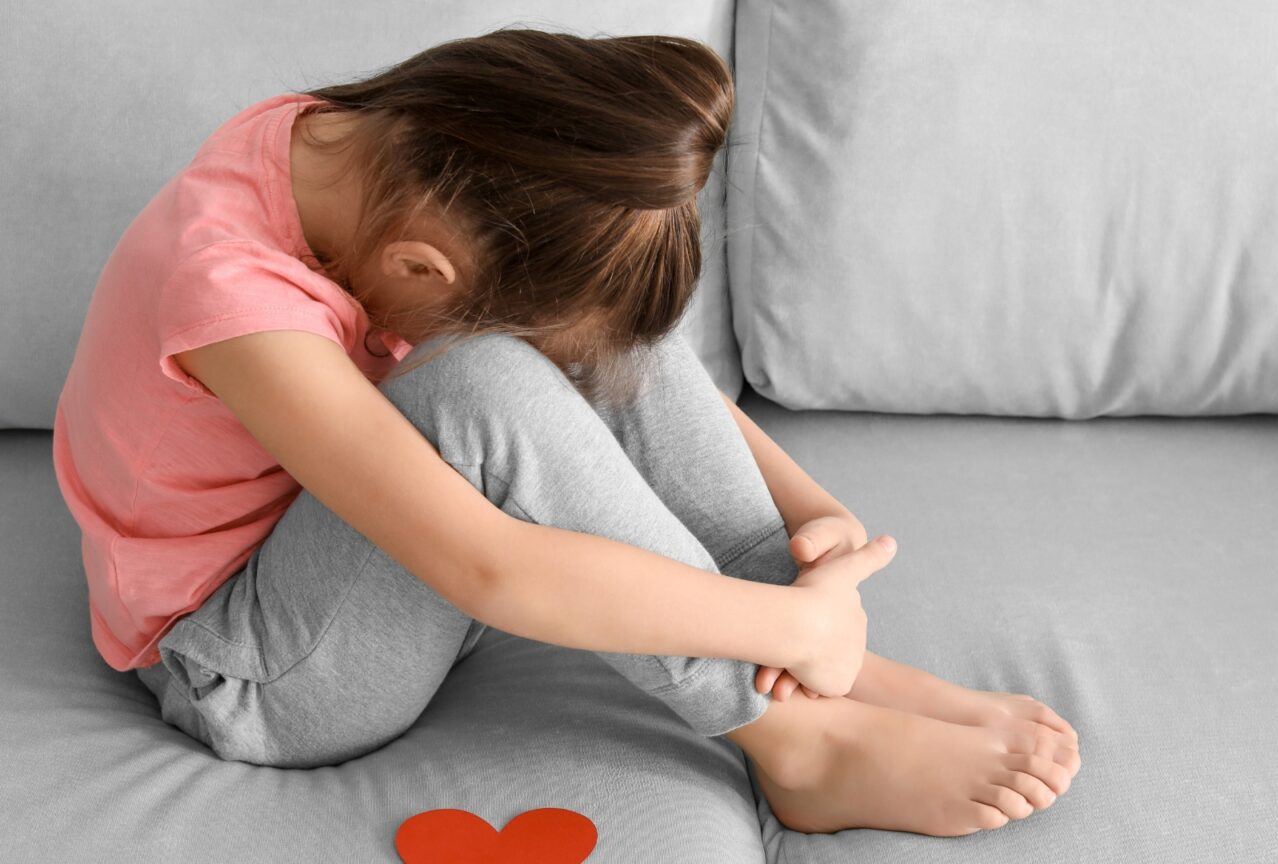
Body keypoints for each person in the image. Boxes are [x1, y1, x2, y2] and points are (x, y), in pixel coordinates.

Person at [50, 27, 1079, 837]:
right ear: (422, 273)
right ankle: (793, 735)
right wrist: (791, 630)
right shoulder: (234, 299)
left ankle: (806, 644)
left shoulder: (370, 146)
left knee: (607, 316)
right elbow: (491, 570)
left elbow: (616, 356)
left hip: (359, 562)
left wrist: (809, 515)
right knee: (489, 383)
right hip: (249, 672)